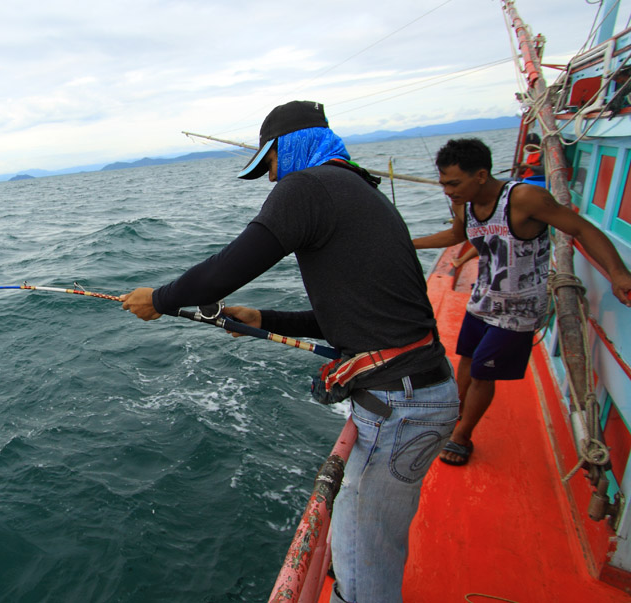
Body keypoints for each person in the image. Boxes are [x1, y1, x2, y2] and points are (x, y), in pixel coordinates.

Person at [121, 100, 459, 603]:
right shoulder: (361, 190)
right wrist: (265, 319)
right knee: (375, 539)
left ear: (292, 147)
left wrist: (161, 299)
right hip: (421, 393)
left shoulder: (307, 187)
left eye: (271, 163)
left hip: (400, 404)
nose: (272, 178)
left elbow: (226, 268)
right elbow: (356, 318)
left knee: (360, 553)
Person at [413, 137, 631, 466]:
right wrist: (408, 242)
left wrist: (618, 273)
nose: (448, 190)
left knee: (484, 374)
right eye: (444, 183)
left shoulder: (526, 198)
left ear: (481, 175)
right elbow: (459, 236)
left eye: (454, 183)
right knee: (468, 362)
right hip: (482, 300)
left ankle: (462, 436)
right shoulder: (463, 203)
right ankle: (453, 415)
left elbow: (582, 229)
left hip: (519, 310)